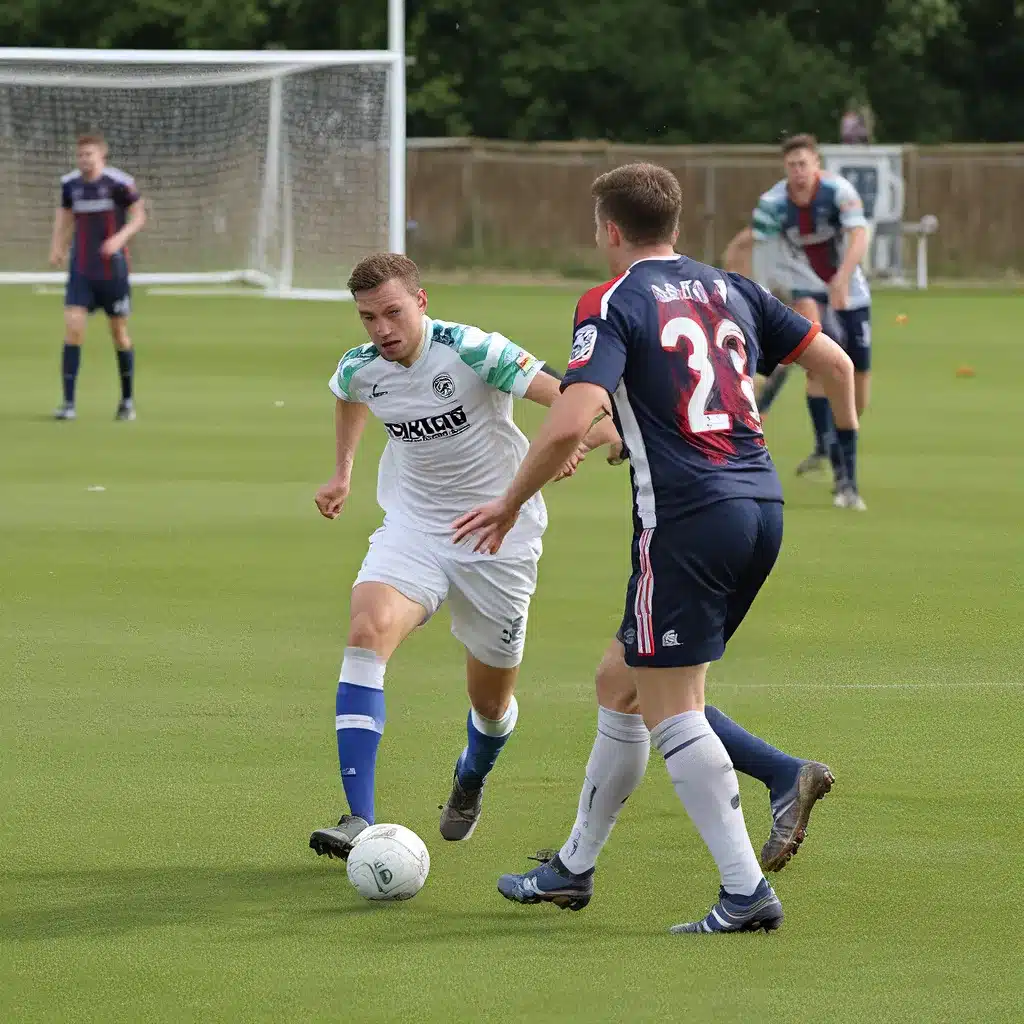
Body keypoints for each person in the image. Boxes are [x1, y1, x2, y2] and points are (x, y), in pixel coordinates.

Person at [453, 163, 857, 933]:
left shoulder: (611, 300)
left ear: (608, 229)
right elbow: (833, 364)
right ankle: (573, 866)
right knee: (622, 681)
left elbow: (571, 420)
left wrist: (509, 503)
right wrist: (833, 452)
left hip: (686, 519)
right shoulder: (730, 286)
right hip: (760, 506)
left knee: (675, 709)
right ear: (673, 224)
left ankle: (745, 894)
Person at [308, 252, 620, 861]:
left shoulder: (476, 350)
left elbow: (584, 402)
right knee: (366, 629)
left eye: (392, 312)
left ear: (421, 302)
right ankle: (358, 820)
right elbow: (349, 396)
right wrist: (342, 474)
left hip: (498, 539)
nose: (381, 329)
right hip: (415, 529)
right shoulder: (362, 367)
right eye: (368, 317)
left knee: (492, 704)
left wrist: (580, 439)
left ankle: (470, 776)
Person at [749, 134, 872, 510]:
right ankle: (845, 482)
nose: (799, 172)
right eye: (792, 166)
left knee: (857, 385)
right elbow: (760, 249)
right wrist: (766, 294)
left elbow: (859, 235)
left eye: (804, 164)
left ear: (817, 164)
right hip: (801, 287)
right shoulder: (772, 204)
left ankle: (828, 442)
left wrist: (841, 279)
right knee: (821, 363)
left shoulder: (838, 191)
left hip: (850, 289)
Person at [49, 134, 146, 421]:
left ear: (102, 155)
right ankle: (68, 403)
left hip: (113, 272)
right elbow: (65, 216)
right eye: (80, 155)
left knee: (119, 334)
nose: (84, 160)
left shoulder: (118, 183)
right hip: (81, 269)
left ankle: (127, 401)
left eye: (89, 154)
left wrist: (119, 238)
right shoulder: (70, 185)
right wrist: (57, 247)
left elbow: (139, 216)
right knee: (74, 327)